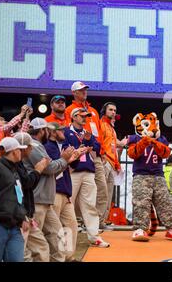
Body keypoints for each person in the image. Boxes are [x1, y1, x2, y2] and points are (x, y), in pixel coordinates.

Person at [128, 112, 172, 242]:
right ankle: (140, 229)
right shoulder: (135, 138)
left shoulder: (162, 139)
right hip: (141, 176)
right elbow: (132, 154)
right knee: (141, 203)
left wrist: (154, 141)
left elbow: (166, 153)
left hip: (158, 176)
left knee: (165, 202)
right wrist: (145, 141)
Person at [23, 118, 75, 262]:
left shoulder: (39, 145)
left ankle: (60, 259)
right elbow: (49, 168)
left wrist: (65, 160)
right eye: (46, 130)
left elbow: (52, 168)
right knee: (34, 243)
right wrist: (64, 159)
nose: (48, 132)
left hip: (45, 199)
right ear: (41, 131)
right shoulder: (33, 146)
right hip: (37, 199)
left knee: (58, 234)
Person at [65, 81, 109, 231]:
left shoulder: (94, 111)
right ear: (74, 93)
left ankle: (98, 222)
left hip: (95, 154)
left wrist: (101, 152)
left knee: (101, 188)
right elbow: (67, 132)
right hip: (78, 155)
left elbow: (99, 134)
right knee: (74, 190)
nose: (84, 92)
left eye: (85, 89)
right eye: (81, 90)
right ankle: (76, 222)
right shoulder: (70, 110)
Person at [45, 122, 85, 261]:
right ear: (53, 132)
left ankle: (68, 257)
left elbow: (71, 166)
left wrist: (76, 157)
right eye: (61, 130)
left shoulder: (63, 146)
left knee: (71, 225)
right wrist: (66, 159)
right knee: (54, 230)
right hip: (54, 191)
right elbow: (52, 169)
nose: (65, 132)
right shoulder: (47, 147)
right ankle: (56, 257)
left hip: (65, 191)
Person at [0, 137, 32, 262]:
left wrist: (22, 216)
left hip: (14, 226)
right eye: (19, 150)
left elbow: (18, 196)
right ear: (14, 151)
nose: (21, 153)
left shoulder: (14, 169)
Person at [12, 132, 50, 262]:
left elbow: (27, 186)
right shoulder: (13, 165)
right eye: (30, 146)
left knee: (41, 246)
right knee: (21, 251)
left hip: (26, 214)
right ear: (25, 148)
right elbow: (25, 185)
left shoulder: (19, 163)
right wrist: (38, 170)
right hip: (20, 216)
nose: (32, 149)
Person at [100, 102, 124, 229]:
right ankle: (96, 221)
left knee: (108, 194)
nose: (113, 112)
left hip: (111, 164)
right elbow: (98, 142)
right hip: (104, 162)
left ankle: (102, 221)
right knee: (101, 193)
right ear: (104, 111)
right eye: (110, 110)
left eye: (115, 110)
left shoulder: (112, 129)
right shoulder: (101, 125)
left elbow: (116, 145)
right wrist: (102, 156)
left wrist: (129, 140)